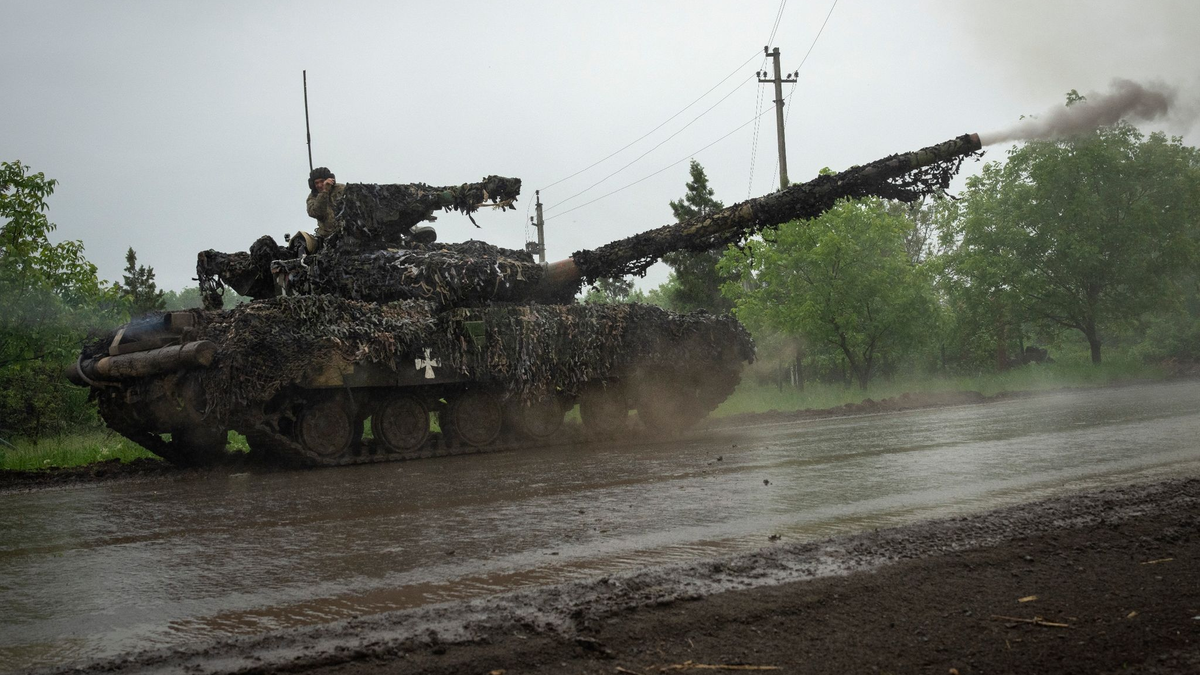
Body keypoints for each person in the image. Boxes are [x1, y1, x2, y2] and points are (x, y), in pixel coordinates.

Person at [306, 166, 344, 238]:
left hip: (345, 231)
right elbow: (316, 212)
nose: (319, 185)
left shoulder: (341, 189)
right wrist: (324, 192)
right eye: (316, 183)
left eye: (322, 181)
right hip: (327, 236)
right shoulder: (313, 197)